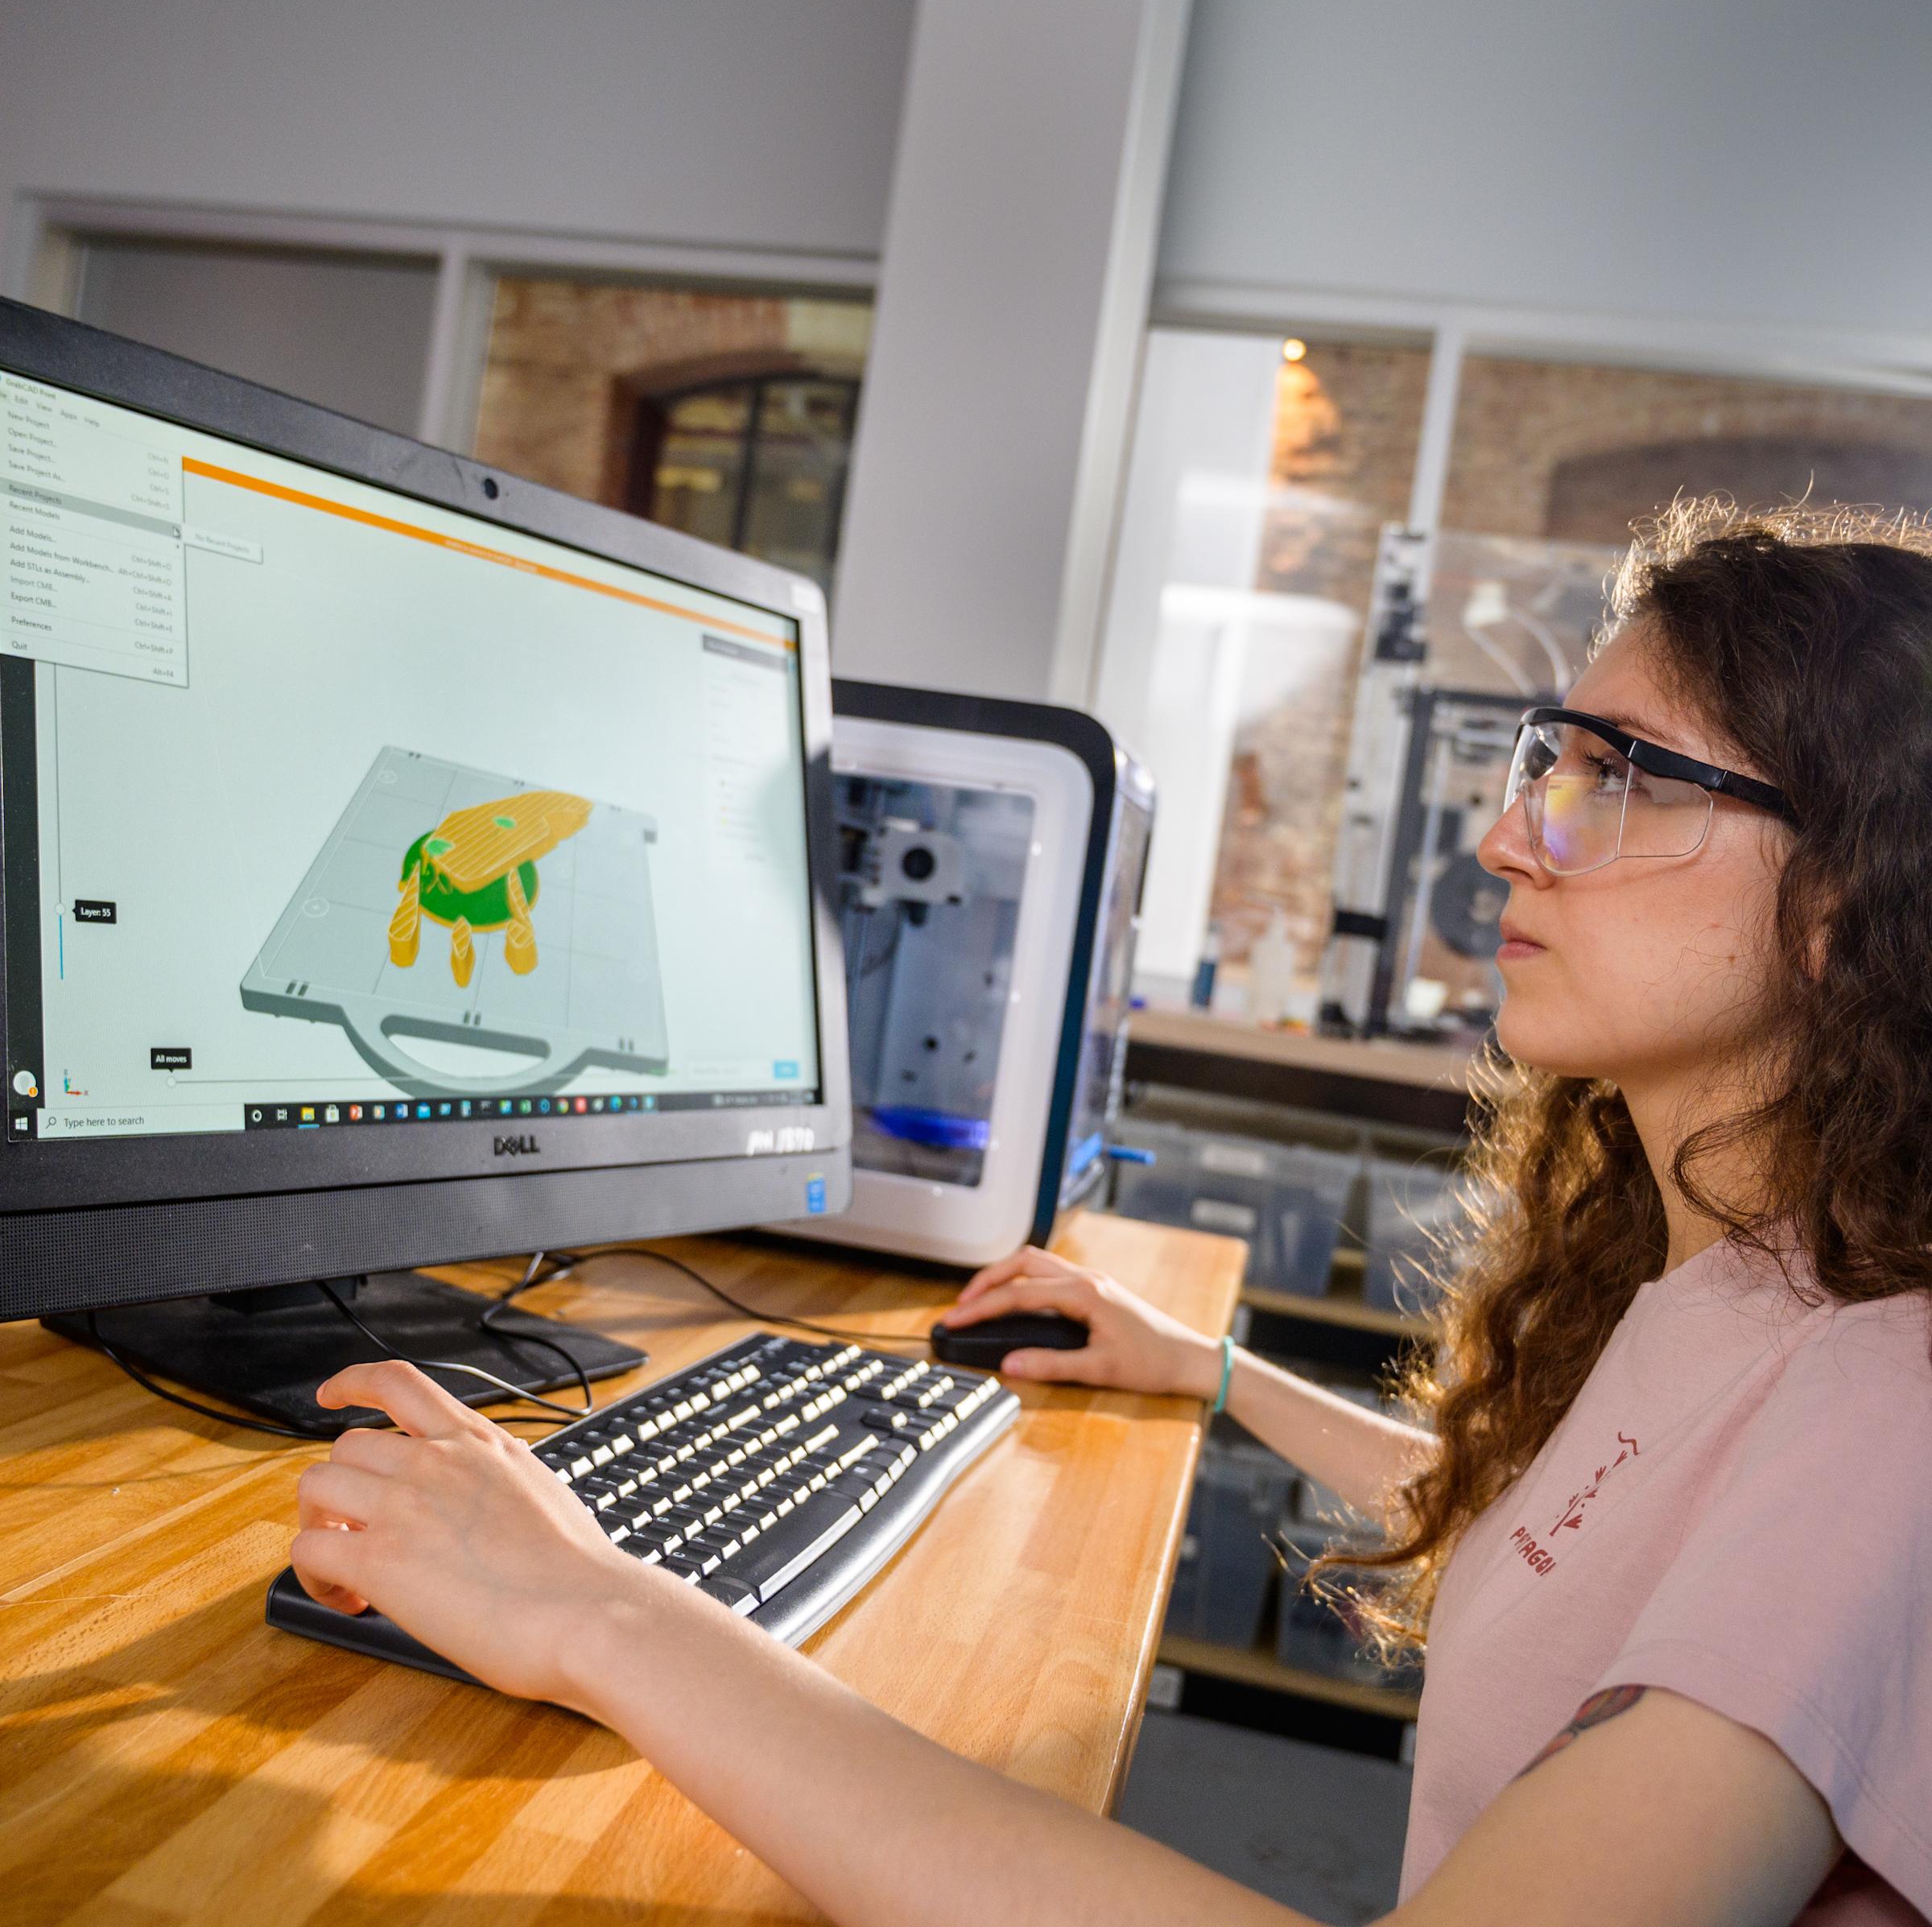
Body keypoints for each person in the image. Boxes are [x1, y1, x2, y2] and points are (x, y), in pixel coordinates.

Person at [291, 497, 1932, 1926]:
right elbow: (1590, 1541)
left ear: (1851, 894)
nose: (1508, 839)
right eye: (1540, 764)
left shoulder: (1887, 1411)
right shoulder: (1758, 1282)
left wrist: (595, 1607)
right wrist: (1207, 1370)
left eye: (1616, 778)